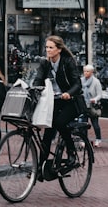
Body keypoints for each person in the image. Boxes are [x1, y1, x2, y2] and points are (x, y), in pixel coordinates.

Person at [32, 35, 83, 174]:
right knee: (48, 132)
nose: (48, 50)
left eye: (51, 47)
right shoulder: (45, 63)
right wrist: (34, 89)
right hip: (53, 101)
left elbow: (77, 84)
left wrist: (69, 93)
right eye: (46, 47)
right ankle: (40, 167)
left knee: (60, 123)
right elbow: (38, 80)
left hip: (70, 101)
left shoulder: (68, 61)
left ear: (59, 49)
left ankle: (71, 152)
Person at [81, 64, 104, 147]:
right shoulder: (81, 81)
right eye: (84, 71)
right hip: (83, 105)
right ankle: (84, 140)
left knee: (95, 124)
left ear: (91, 72)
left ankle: (98, 139)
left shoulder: (96, 82)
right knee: (83, 123)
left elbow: (99, 94)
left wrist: (95, 99)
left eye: (87, 71)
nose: (85, 73)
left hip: (92, 106)